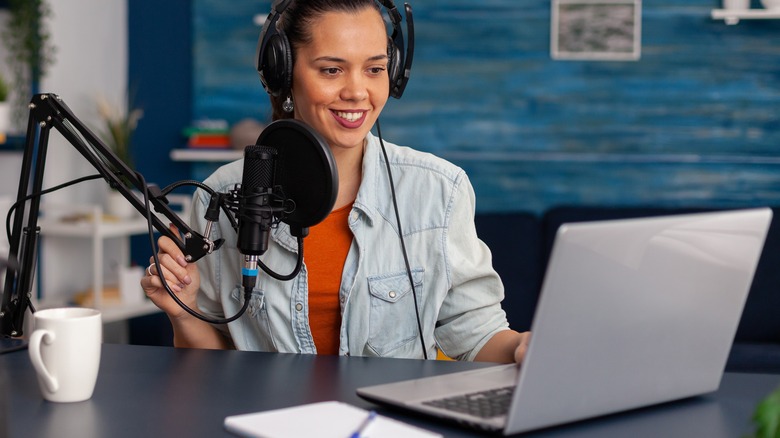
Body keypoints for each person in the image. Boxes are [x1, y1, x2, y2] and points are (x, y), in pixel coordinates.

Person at [140, 0, 530, 363]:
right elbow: (213, 364)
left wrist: (521, 348)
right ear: (284, 73)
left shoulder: (439, 190)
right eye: (332, 69)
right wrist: (183, 313)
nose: (357, 91)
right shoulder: (224, 194)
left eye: (374, 69)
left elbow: (477, 336)